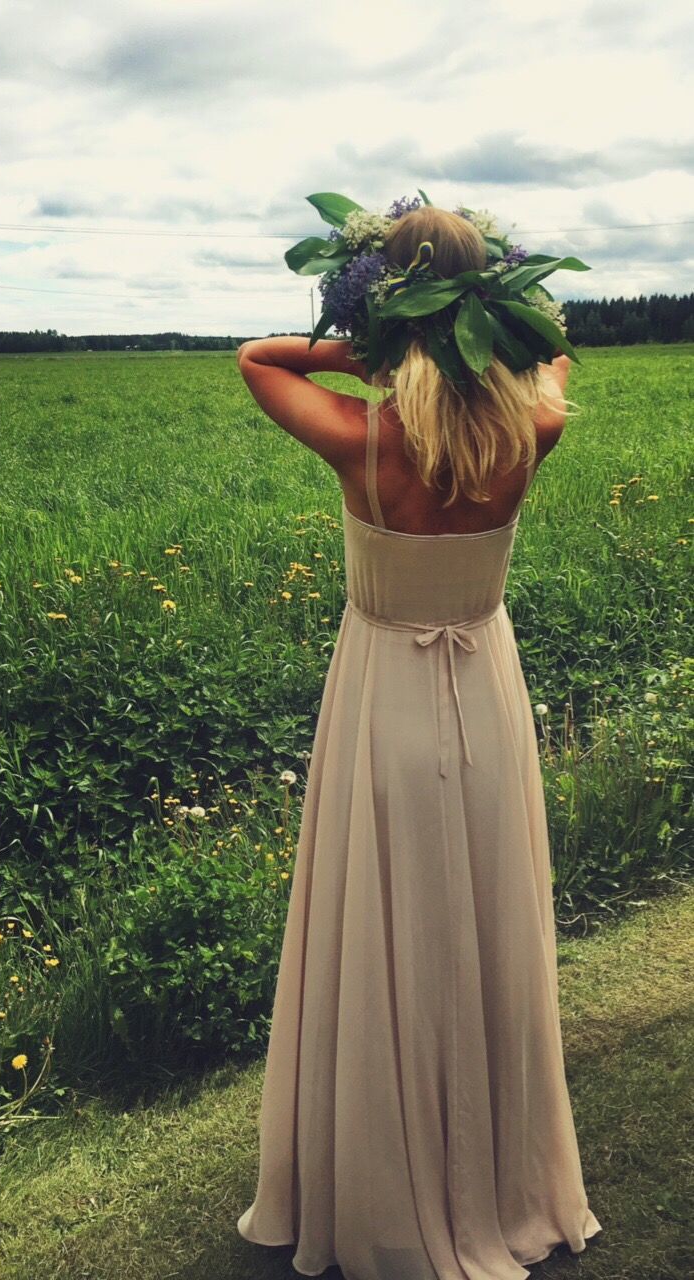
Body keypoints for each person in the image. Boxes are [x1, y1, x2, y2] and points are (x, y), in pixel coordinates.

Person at [233, 204, 603, 1280]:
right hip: (485, 694)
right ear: (487, 303)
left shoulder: (360, 436)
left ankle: (388, 1173)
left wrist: (377, 343)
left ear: (390, 309)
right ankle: (493, 1174)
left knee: (383, 924)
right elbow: (555, 355)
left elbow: (254, 355)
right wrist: (479, 326)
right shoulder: (533, 427)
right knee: (484, 925)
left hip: (383, 695)